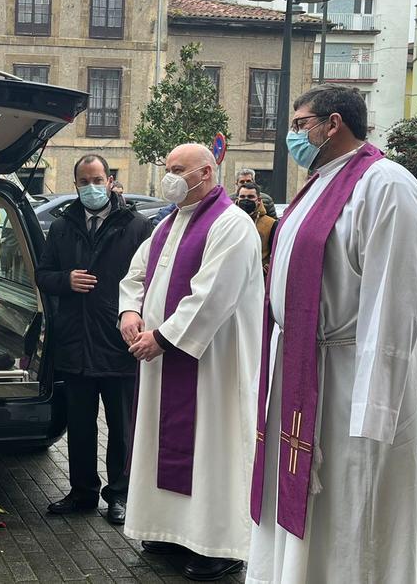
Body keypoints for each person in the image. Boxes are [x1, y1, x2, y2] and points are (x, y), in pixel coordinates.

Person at [247, 85, 417, 583]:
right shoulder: (320, 183)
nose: (292, 135)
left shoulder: (385, 184)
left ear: (333, 123)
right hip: (304, 364)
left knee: (351, 507)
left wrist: (374, 408)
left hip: (351, 379)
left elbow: (395, 300)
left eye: (299, 123)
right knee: (302, 505)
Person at [118, 144, 263, 581]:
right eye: (167, 169)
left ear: (206, 172)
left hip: (214, 362)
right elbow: (136, 274)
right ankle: (167, 529)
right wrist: (129, 311)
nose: (170, 177)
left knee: (213, 447)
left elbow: (213, 294)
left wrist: (163, 337)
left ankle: (219, 544)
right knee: (163, 445)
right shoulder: (167, 224)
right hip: (163, 357)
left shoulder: (231, 224)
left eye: (178, 170)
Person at [36, 154, 153, 525]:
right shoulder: (62, 226)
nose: (91, 187)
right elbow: (43, 274)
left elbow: (151, 280)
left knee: (121, 427)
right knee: (81, 426)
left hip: (118, 342)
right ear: (76, 185)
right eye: (84, 181)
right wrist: (65, 280)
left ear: (109, 180)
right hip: (75, 343)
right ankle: (82, 491)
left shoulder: (136, 226)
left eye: (97, 179)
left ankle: (120, 495)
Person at [236, 183, 276, 275]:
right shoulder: (229, 221)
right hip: (235, 276)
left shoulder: (270, 224)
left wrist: (265, 269)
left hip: (259, 278)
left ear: (258, 200)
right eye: (242, 196)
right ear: (237, 199)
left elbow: (276, 254)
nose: (246, 200)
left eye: (250, 197)